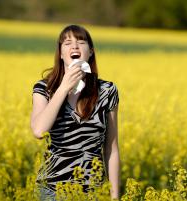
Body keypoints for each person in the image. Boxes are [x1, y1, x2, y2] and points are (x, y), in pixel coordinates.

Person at [30, 24, 120, 200]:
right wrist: (63, 88)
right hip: (52, 191)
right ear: (61, 53)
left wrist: (114, 196)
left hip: (93, 192)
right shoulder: (44, 88)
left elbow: (111, 149)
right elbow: (39, 130)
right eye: (67, 43)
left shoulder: (107, 91)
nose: (75, 46)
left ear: (91, 51)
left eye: (81, 42)